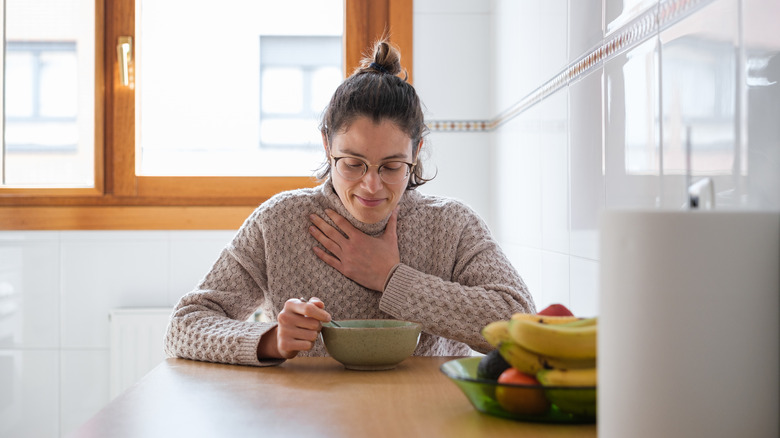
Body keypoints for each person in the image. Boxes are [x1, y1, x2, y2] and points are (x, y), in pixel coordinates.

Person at [164, 39, 535, 366]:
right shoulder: (279, 221)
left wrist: (392, 280)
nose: (371, 185)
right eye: (353, 163)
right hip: (310, 417)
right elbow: (184, 325)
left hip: (424, 417)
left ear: (416, 151)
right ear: (327, 146)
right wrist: (270, 341)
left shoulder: (451, 225)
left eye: (392, 166)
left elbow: (522, 325)